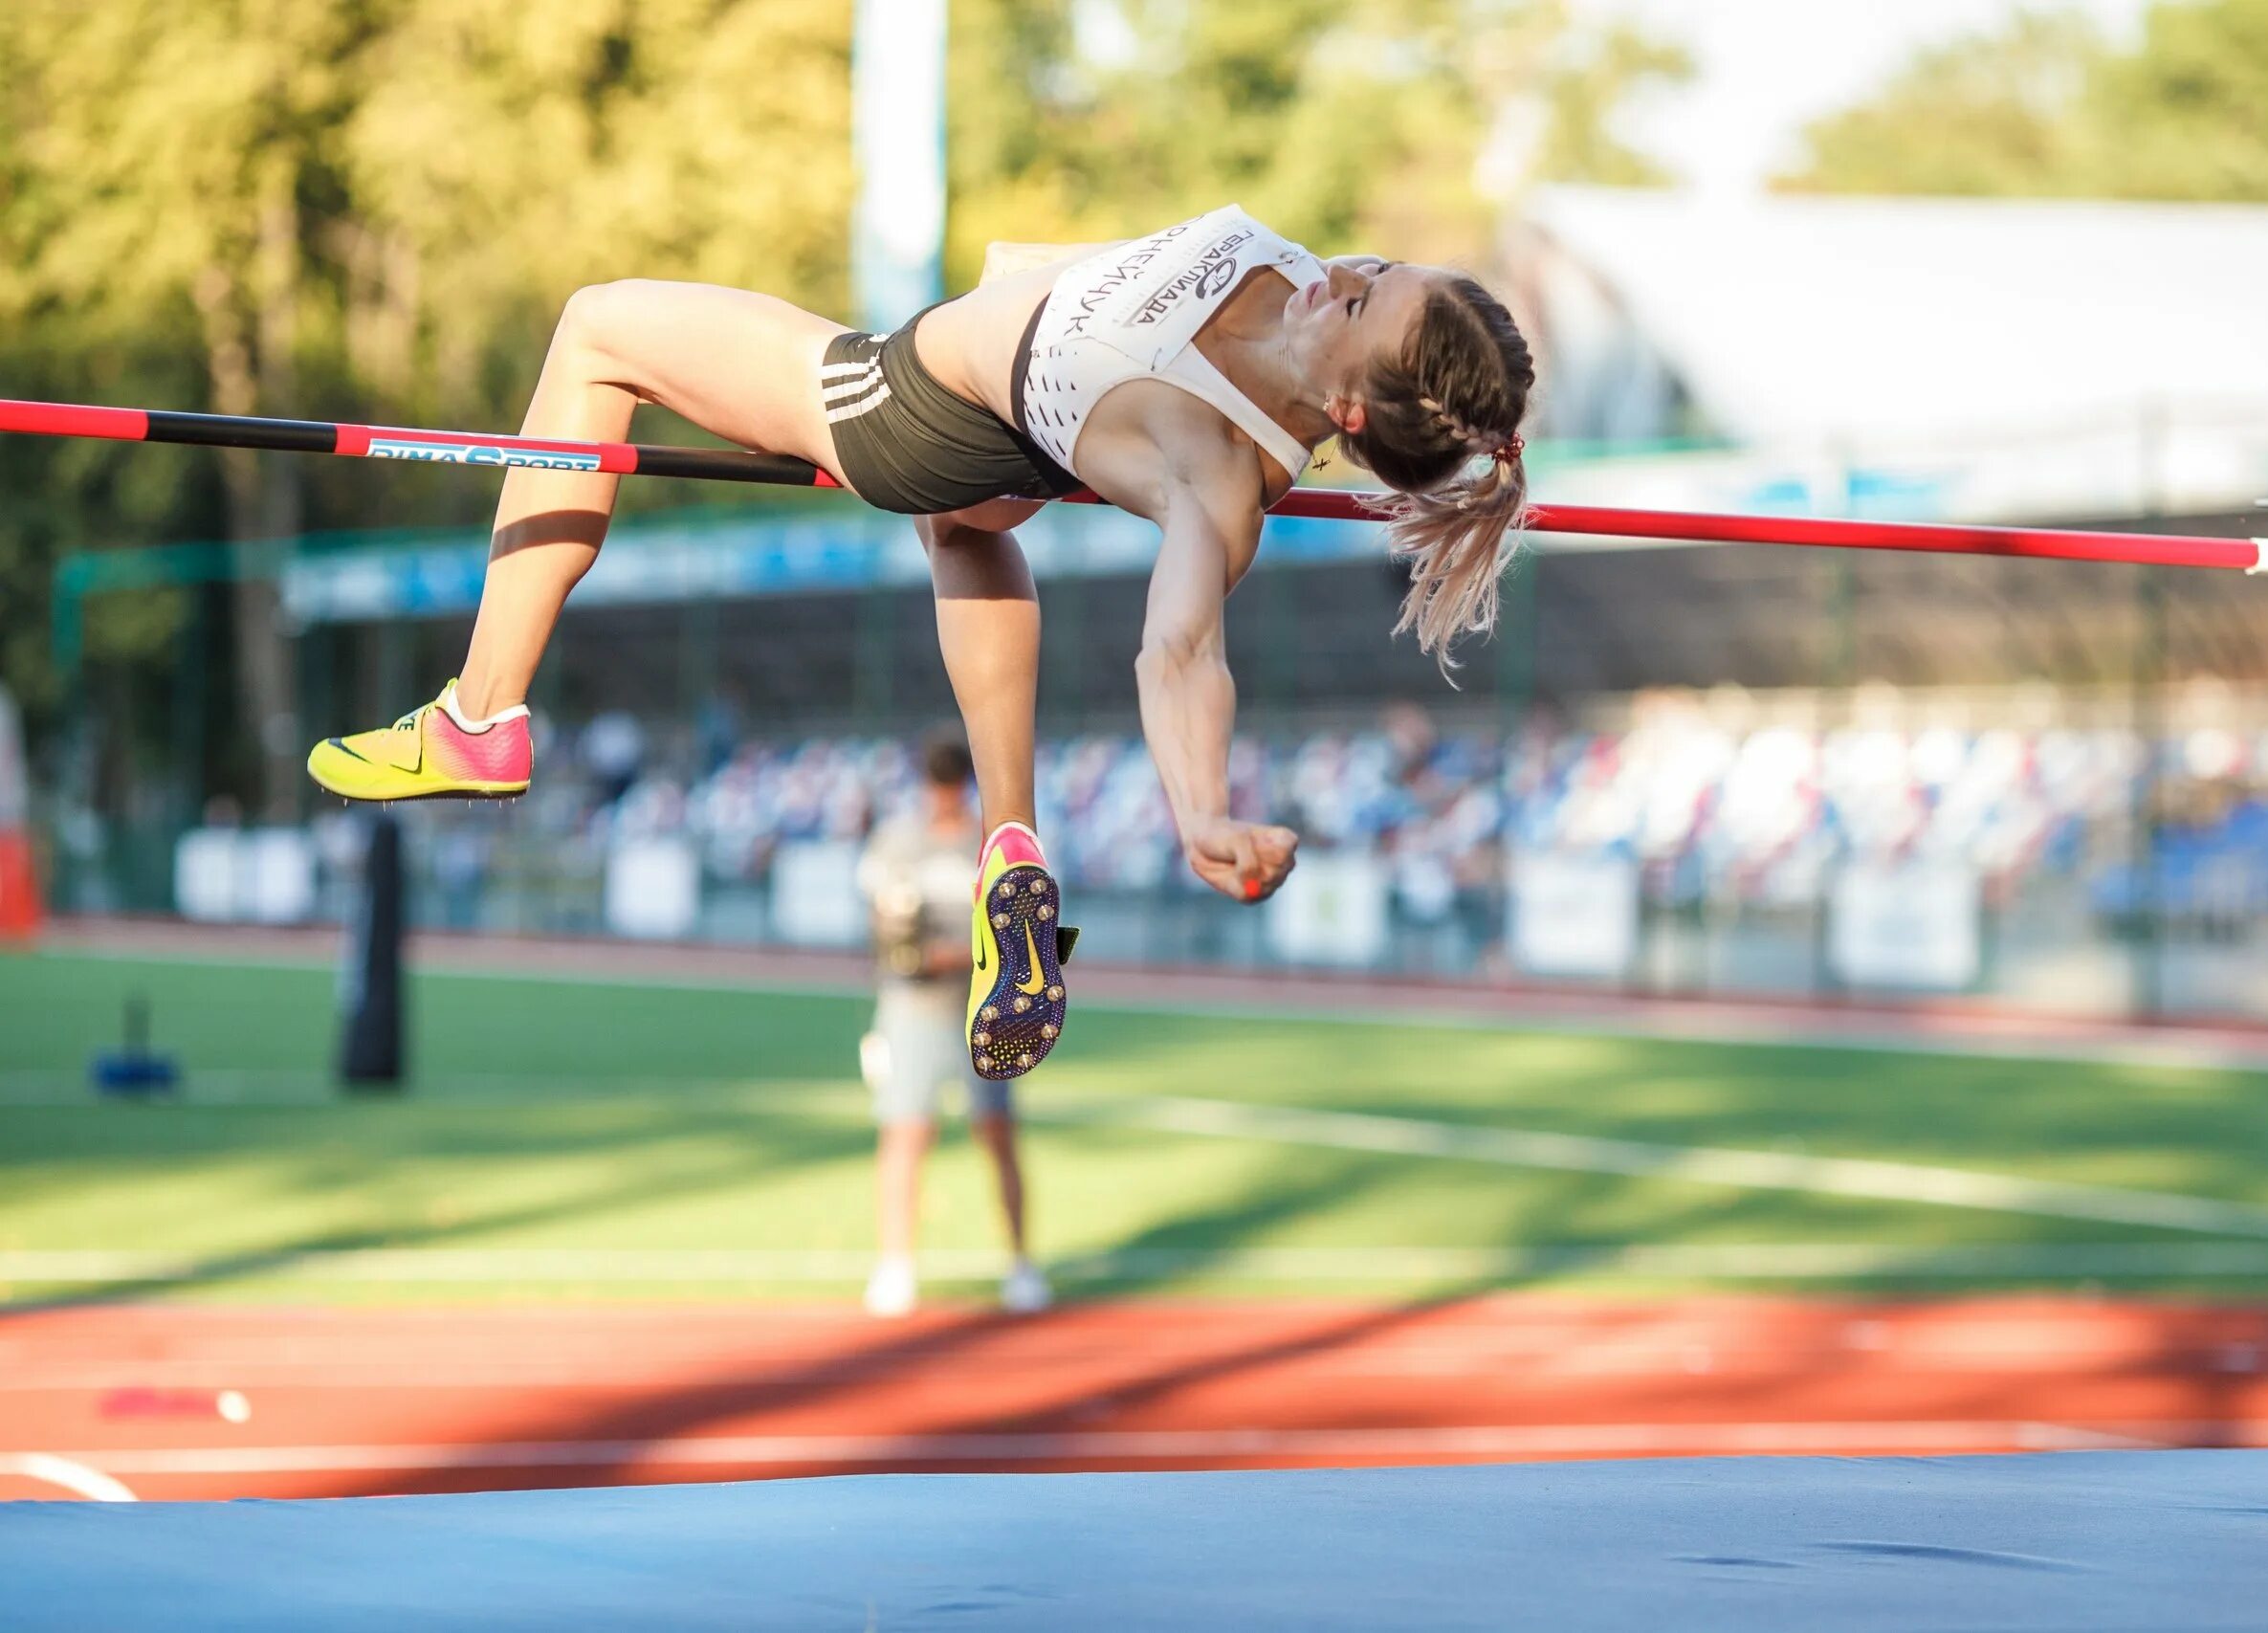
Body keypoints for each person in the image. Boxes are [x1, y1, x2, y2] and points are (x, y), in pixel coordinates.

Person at [304, 204, 1537, 1080]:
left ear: (1349, 411)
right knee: (965, 533)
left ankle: (480, 715)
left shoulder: (1214, 469)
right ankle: (1013, 842)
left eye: (1365, 299)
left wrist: (1200, 810)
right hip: (1001, 434)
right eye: (1382, 265)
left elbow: (1180, 649)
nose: (1343, 271)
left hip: (892, 403)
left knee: (598, 330)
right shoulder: (1305, 304)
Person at [857, 734, 1047, 1317]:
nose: (942, 798)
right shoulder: (897, 841)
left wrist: (961, 953)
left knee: (997, 1134)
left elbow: (1022, 931)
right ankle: (896, 1265)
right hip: (911, 1009)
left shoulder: (987, 844)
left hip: (982, 1010)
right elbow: (884, 930)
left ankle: (1020, 1263)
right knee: (906, 1131)